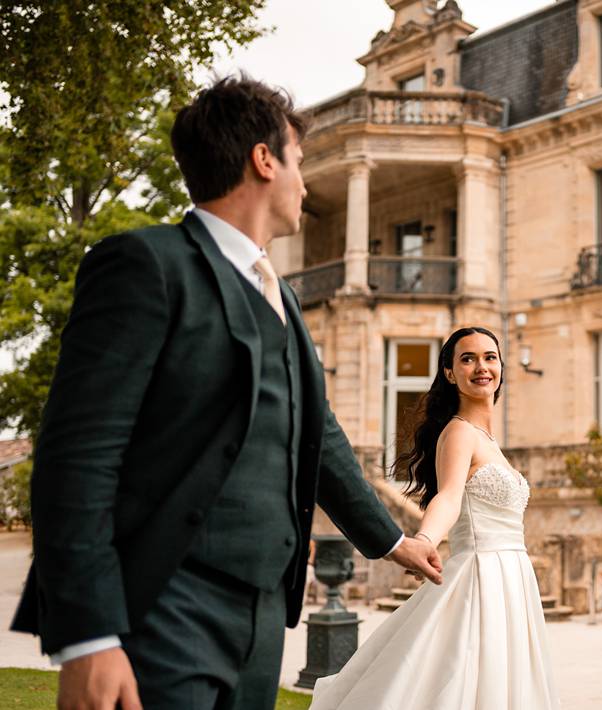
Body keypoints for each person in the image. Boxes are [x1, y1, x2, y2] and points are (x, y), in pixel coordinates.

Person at [9, 75, 443, 710]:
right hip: (160, 612)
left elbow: (318, 438)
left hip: (264, 619)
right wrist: (88, 639)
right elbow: (76, 458)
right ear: (264, 160)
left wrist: (393, 540)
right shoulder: (144, 265)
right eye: (297, 161)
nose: (303, 181)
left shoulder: (286, 299)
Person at [309, 326, 560, 710]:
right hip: (483, 575)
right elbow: (449, 496)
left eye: (489, 357)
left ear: (501, 367)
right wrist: (425, 540)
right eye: (468, 358)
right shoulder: (458, 433)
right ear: (449, 372)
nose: (481, 367)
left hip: (514, 577)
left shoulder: (489, 440)